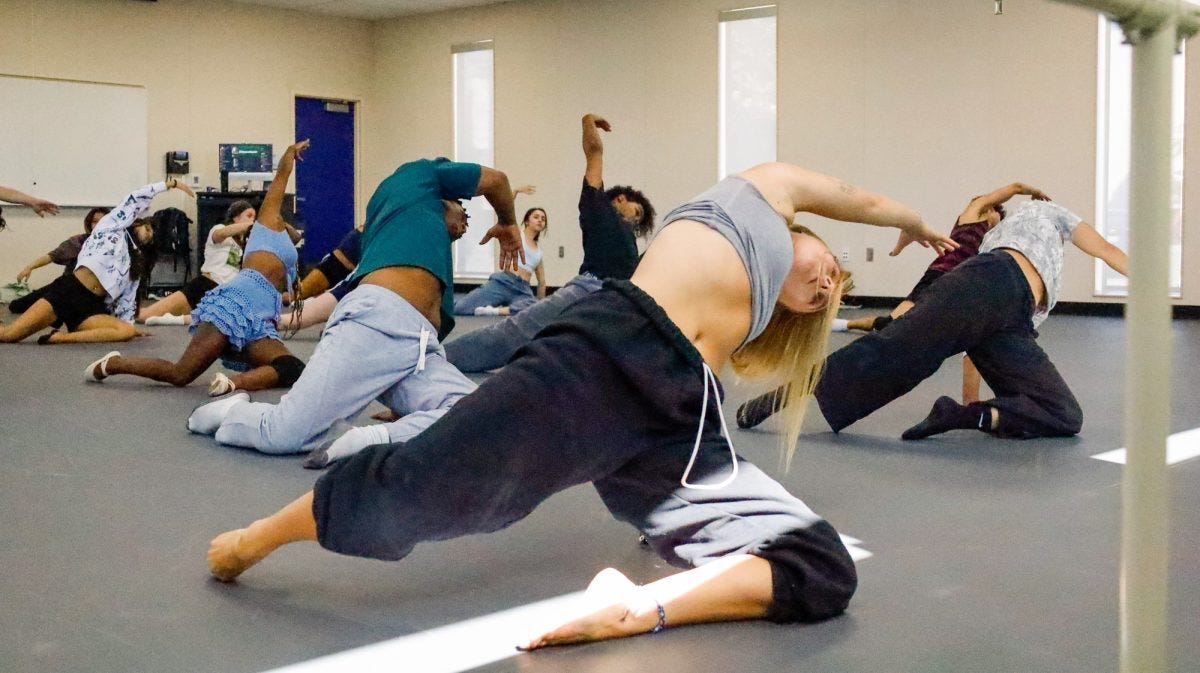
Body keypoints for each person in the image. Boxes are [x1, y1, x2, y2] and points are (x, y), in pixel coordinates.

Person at [202, 161, 955, 649]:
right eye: (831, 268)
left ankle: (640, 606)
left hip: (677, 416)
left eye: (828, 297)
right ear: (805, 232)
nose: (826, 284)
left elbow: (716, 386)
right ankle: (257, 536)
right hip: (606, 353)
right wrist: (913, 222)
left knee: (821, 566)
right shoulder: (760, 192)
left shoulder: (757, 312)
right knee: (433, 491)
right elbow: (862, 196)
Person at [186, 156, 523, 460]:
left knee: (483, 416)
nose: (466, 218)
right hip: (376, 322)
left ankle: (373, 438)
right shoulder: (416, 176)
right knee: (283, 435)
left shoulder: (422, 250)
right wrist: (508, 221)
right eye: (461, 205)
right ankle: (233, 413)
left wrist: (409, 411)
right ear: (439, 195)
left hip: (418, 346)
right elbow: (497, 181)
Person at [737, 182, 1051, 428]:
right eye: (998, 212)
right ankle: (783, 394)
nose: (999, 217)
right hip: (940, 282)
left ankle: (814, 365)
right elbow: (1003, 192)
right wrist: (1026, 189)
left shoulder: (992, 239)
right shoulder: (975, 212)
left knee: (890, 331)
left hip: (958, 295)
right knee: (888, 338)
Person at [806, 199, 1127, 440]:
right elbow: (1105, 249)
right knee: (900, 348)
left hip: (1015, 316)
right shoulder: (1051, 212)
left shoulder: (1008, 243)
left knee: (1064, 414)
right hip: (993, 278)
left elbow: (977, 344)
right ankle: (791, 390)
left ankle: (963, 415)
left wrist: (968, 401)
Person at [85, 142, 310, 396]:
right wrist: (289, 155)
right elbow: (280, 179)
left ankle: (232, 383)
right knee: (180, 373)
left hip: (259, 320)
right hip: (235, 304)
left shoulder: (286, 246)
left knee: (292, 368)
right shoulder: (268, 224)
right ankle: (113, 364)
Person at [444, 113, 656, 373]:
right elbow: (594, 152)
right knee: (511, 334)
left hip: (618, 301)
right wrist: (587, 122)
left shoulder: (628, 239)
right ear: (622, 198)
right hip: (590, 289)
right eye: (637, 211)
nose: (637, 219)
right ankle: (440, 362)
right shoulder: (598, 205)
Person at [0, 181, 191, 344]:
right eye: (148, 230)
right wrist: (168, 184)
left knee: (126, 331)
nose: (149, 236)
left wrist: (129, 325)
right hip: (69, 291)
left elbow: (128, 298)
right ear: (138, 223)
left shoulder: (137, 261)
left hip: (92, 306)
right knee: (8, 335)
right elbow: (134, 199)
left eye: (153, 237)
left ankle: (59, 338)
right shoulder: (113, 227)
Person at [137, 200, 256, 325]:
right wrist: (250, 226)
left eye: (254, 217)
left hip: (224, 292)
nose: (252, 220)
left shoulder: (244, 244)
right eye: (249, 216)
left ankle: (171, 320)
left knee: (227, 320)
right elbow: (221, 234)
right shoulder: (220, 229)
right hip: (206, 285)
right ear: (236, 217)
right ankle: (121, 315)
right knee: (144, 316)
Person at [453, 186, 546, 316]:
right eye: (536, 217)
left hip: (523, 290)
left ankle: (492, 311)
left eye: (543, 219)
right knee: (460, 308)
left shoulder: (539, 252)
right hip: (504, 282)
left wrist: (541, 307)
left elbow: (542, 281)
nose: (540, 220)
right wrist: (515, 192)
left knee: (532, 308)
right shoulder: (517, 234)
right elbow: (506, 212)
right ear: (526, 221)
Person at [9, 208, 110, 314]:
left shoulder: (118, 245)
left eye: (103, 221)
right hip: (69, 286)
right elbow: (52, 256)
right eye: (95, 221)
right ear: (89, 224)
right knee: (17, 306)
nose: (99, 225)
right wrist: (30, 267)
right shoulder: (78, 242)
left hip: (97, 292)